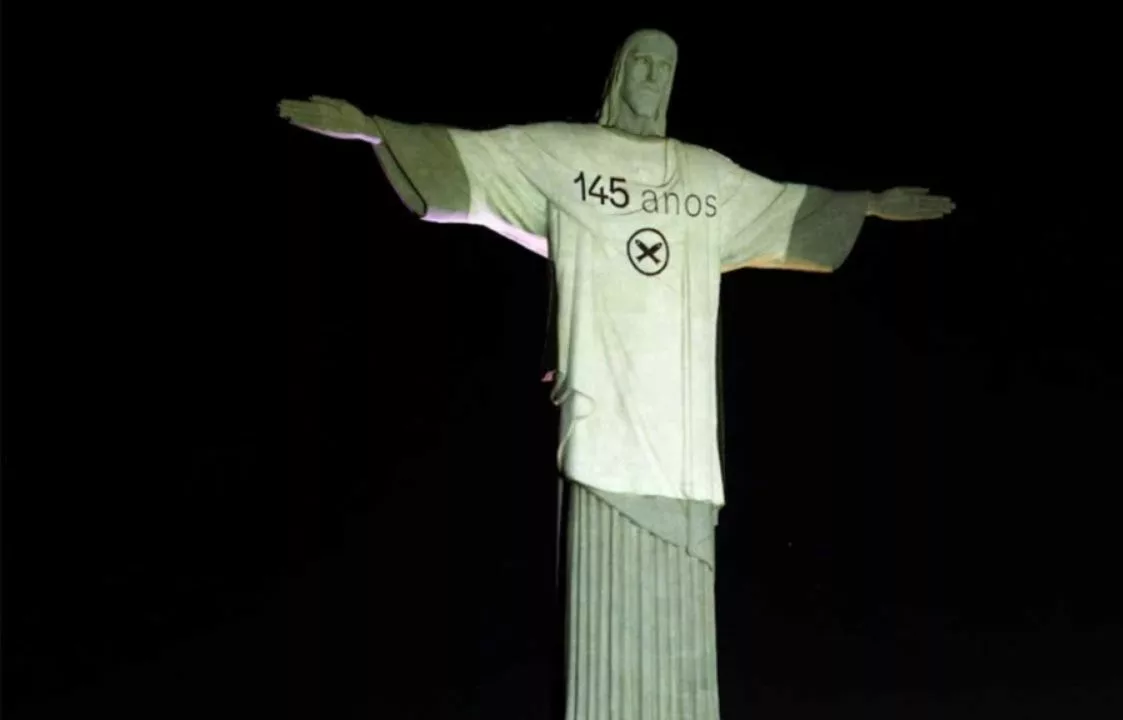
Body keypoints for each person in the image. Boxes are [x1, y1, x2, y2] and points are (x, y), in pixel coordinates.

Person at [280, 27, 954, 720]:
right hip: (604, 411)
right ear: (619, 72)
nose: (654, 79)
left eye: (667, 68)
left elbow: (786, 205)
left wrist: (866, 205)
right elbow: (477, 157)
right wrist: (372, 132)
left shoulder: (703, 175)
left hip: (681, 432)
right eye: (643, 64)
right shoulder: (568, 157)